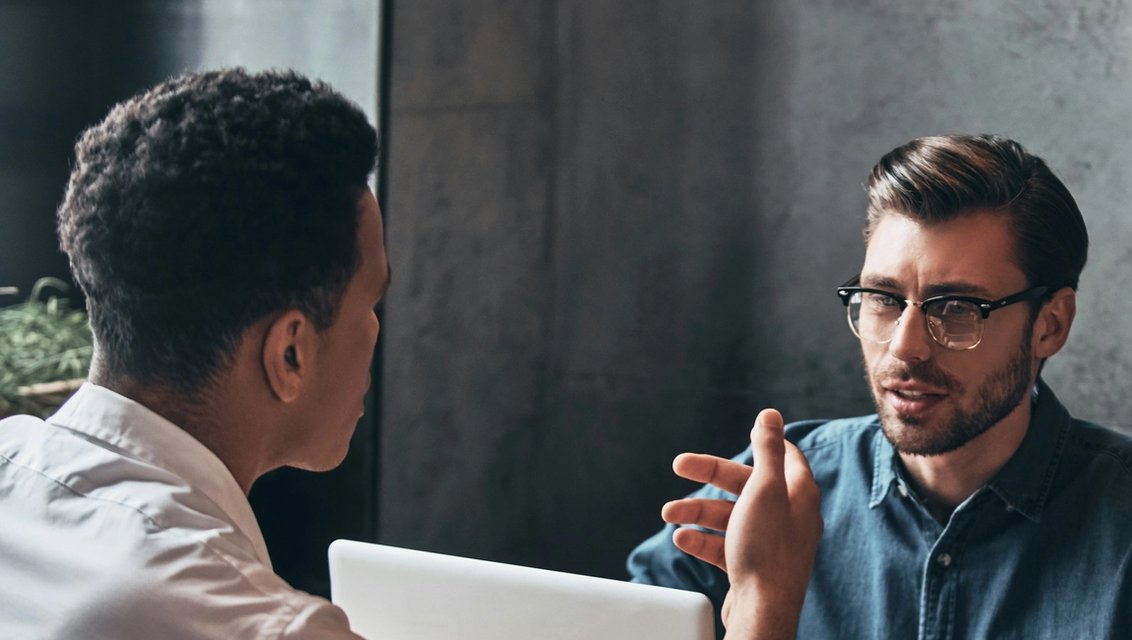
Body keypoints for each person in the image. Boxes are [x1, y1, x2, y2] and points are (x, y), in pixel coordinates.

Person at [0, 68, 816, 639]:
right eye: (373, 299)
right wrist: (761, 607)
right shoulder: (259, 627)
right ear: (290, 353)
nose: (380, 330)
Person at [628, 134, 1132, 639]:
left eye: (957, 310)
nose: (906, 347)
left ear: (1049, 325)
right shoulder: (773, 494)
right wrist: (761, 610)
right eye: (883, 300)